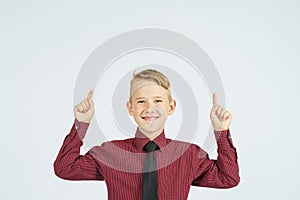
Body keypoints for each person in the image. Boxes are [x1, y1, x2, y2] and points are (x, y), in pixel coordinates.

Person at [54, 69, 240, 200]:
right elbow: (65, 168)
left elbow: (228, 178)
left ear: (171, 106)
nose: (150, 108)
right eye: (141, 101)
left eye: (158, 100)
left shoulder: (188, 154)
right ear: (130, 108)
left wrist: (221, 132)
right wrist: (81, 123)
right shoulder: (109, 152)